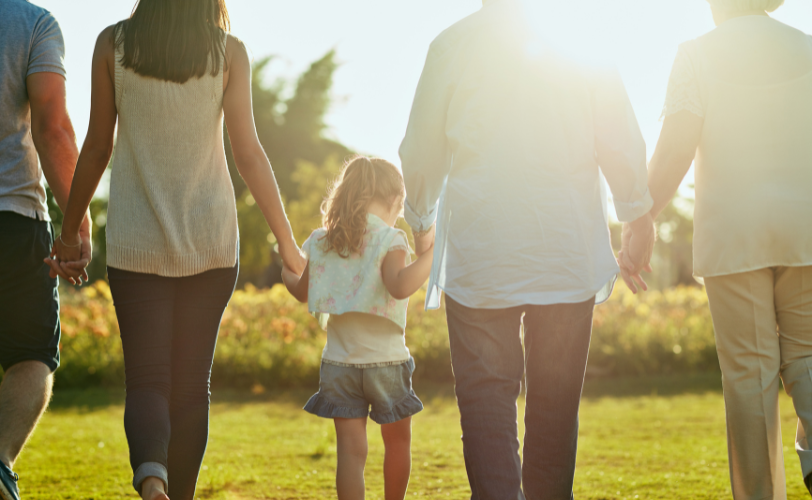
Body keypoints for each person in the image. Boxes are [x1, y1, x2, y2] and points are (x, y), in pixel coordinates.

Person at [47, 0, 306, 498]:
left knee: (147, 380)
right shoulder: (229, 53)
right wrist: (288, 244)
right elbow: (248, 152)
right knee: (191, 388)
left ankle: (151, 482)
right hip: (210, 245)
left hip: (134, 245)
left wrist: (69, 231)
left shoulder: (111, 45)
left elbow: (98, 146)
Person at [399, 0, 656, 498]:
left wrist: (422, 225)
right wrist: (636, 213)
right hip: (564, 254)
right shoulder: (583, 45)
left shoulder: (452, 44)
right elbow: (619, 137)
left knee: (485, 408)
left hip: (480, 257)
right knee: (554, 415)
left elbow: (421, 152)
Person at [642, 0, 812, 498]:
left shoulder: (696, 54)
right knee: (808, 359)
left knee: (749, 376)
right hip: (806, 231)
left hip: (734, 236)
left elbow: (675, 148)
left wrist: (642, 219)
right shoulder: (807, 49)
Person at [282, 156, 432, 500]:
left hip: (339, 365)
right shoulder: (390, 238)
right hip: (387, 364)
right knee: (397, 443)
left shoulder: (324, 240)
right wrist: (430, 257)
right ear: (395, 199)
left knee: (350, 452)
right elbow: (399, 285)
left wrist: (287, 274)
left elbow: (302, 289)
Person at [0, 1, 92, 499]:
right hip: (13, 219)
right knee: (31, 355)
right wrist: (77, 222)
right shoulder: (32, 24)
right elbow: (52, 127)